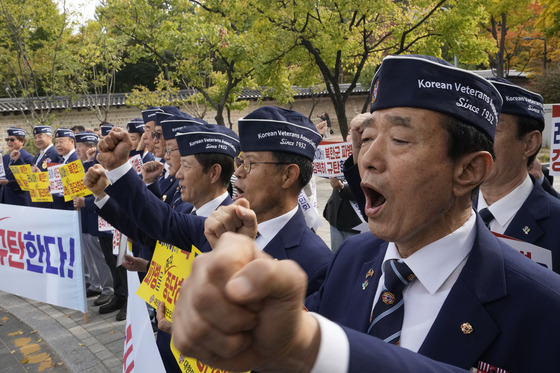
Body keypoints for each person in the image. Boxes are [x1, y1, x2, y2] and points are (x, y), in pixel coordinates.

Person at [171, 55, 560, 373]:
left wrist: (312, 345)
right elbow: (279, 343)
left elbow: (303, 343)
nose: (368, 159)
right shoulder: (352, 258)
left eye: (400, 139)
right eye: (368, 138)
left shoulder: (543, 309)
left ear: (469, 170)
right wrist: (237, 301)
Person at [477, 77, 560, 273]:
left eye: (490, 129)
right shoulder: (444, 215)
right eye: (472, 128)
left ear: (529, 143)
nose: (475, 142)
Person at [323, 176, 363, 251]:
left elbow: (364, 192)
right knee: (337, 256)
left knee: (354, 257)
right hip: (336, 216)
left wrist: (342, 188)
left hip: (357, 222)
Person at [0, 127, 34, 206]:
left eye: (12, 140)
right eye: (7, 139)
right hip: (4, 199)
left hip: (19, 200)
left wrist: (8, 182)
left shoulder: (28, 157)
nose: (9, 142)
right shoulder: (5, 157)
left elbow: (28, 180)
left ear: (22, 141)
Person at [52, 128, 79, 210]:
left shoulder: (76, 160)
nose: (58, 145)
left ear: (72, 142)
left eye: (61, 142)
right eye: (56, 142)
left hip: (70, 208)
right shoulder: (61, 160)